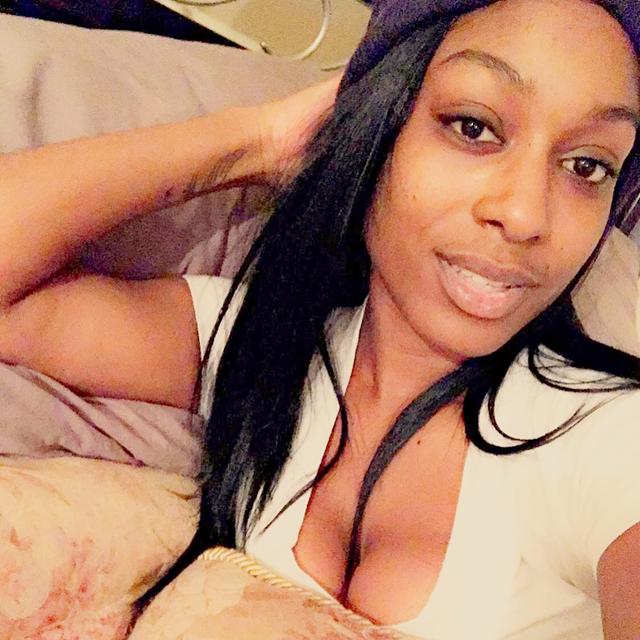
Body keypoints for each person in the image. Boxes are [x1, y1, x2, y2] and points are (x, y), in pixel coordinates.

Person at [1, 0, 639, 637]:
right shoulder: (261, 350)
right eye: (472, 127)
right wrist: (255, 142)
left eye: (588, 165)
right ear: (381, 128)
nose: (526, 215)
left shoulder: (607, 434)